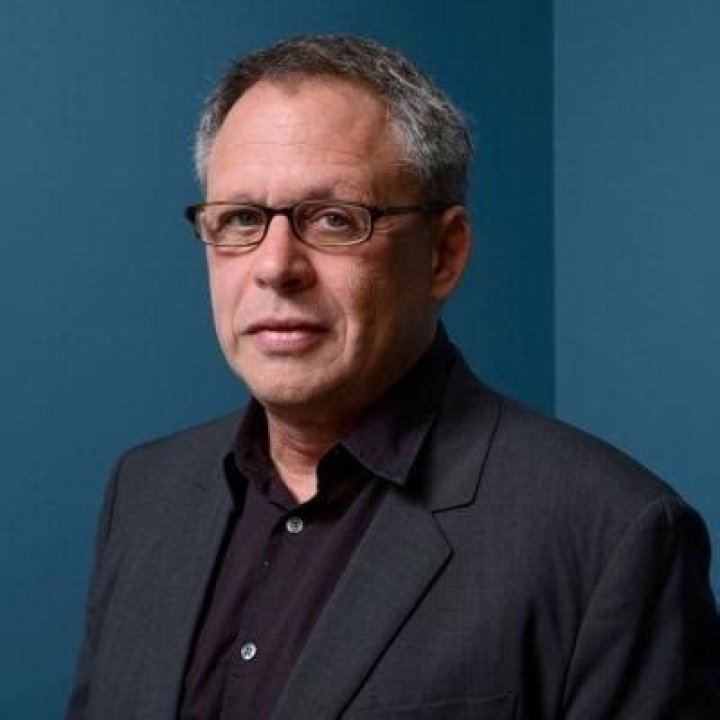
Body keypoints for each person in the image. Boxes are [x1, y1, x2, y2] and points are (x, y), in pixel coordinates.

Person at [66, 35, 719, 719]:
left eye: (334, 219)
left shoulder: (611, 534)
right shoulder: (144, 494)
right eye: (240, 220)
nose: (275, 267)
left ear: (444, 255)